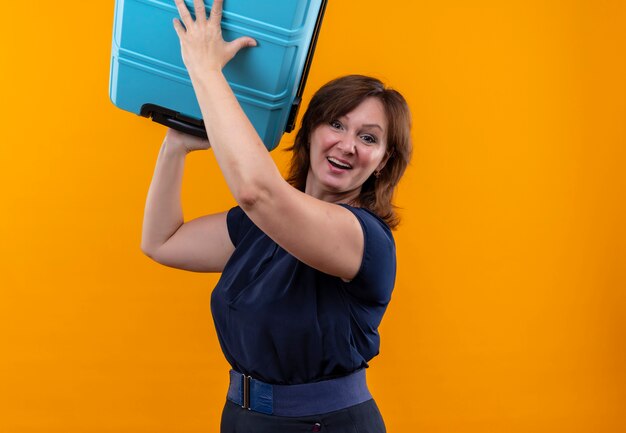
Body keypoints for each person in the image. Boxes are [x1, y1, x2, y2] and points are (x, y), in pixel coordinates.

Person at [140, 0, 412, 431]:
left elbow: (255, 191)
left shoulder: (365, 239)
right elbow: (162, 241)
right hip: (243, 419)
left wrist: (206, 69)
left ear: (382, 161)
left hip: (326, 425)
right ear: (309, 133)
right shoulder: (261, 224)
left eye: (368, 137)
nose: (347, 145)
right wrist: (174, 146)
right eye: (336, 125)